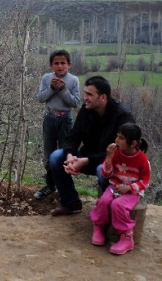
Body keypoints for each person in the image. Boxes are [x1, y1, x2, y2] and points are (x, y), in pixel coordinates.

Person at [49, 75, 135, 216]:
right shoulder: (86, 110)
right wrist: (70, 156)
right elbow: (73, 137)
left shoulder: (122, 117)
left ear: (103, 97)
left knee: (103, 170)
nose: (85, 97)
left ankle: (108, 212)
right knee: (56, 157)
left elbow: (121, 152)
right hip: (87, 157)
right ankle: (71, 203)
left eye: (89, 94)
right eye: (84, 93)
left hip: (111, 162)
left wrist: (85, 160)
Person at [90, 123, 150, 255]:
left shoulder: (142, 160)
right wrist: (109, 158)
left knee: (118, 205)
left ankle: (127, 236)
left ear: (133, 143)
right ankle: (99, 226)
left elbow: (145, 182)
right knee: (104, 200)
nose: (116, 140)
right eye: (117, 136)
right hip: (115, 186)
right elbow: (106, 174)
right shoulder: (115, 153)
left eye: (121, 138)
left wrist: (129, 187)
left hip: (132, 191)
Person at [34, 50, 80, 200]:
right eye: (56, 63)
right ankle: (50, 185)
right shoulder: (47, 78)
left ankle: (63, 189)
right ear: (51, 65)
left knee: (64, 155)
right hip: (49, 119)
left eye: (63, 63)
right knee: (48, 155)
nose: (60, 66)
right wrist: (52, 88)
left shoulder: (73, 80)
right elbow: (41, 98)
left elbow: (75, 102)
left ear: (69, 65)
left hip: (65, 120)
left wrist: (62, 90)